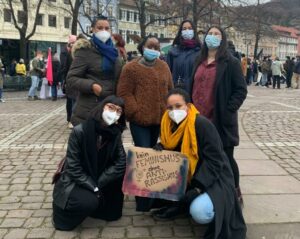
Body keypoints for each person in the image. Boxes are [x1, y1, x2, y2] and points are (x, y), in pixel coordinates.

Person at [152, 89, 247, 239]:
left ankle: (213, 204)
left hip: (215, 178)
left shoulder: (202, 124)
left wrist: (198, 188)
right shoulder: (168, 124)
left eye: (178, 106)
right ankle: (180, 205)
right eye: (170, 108)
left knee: (200, 212)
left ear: (188, 106)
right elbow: (173, 147)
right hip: (189, 175)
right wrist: (161, 147)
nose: (173, 111)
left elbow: (215, 161)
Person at [52, 95, 127, 231]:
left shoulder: (115, 133)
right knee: (88, 202)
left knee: (113, 212)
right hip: (78, 178)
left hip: (100, 176)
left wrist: (98, 183)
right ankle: (70, 209)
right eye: (111, 107)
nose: (114, 113)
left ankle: (98, 205)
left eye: (119, 111)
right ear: (101, 107)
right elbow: (73, 166)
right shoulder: (80, 131)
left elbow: (121, 162)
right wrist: (91, 185)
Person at [191, 26, 247, 204]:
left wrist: (228, 109)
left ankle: (235, 191)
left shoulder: (230, 62)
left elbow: (240, 90)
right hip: (198, 118)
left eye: (217, 34)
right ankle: (207, 190)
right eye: (210, 33)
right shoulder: (198, 60)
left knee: (226, 158)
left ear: (222, 39)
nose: (213, 37)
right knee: (202, 156)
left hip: (219, 120)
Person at [117, 35, 173, 212]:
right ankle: (142, 199)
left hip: (161, 119)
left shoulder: (164, 66)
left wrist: (169, 110)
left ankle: (155, 195)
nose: (154, 49)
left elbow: (170, 89)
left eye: (156, 47)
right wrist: (134, 110)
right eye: (150, 46)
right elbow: (124, 92)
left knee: (158, 156)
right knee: (143, 155)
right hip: (140, 120)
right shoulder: (130, 68)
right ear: (143, 47)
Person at [67, 15, 122, 126]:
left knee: (110, 142)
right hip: (90, 107)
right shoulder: (85, 50)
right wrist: (92, 86)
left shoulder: (114, 52)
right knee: (91, 142)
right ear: (92, 29)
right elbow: (71, 79)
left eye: (107, 28)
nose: (104, 31)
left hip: (111, 107)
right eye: (100, 28)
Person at [167, 20, 201, 92]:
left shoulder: (200, 51)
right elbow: (167, 74)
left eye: (190, 28)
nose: (187, 31)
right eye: (184, 29)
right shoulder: (172, 51)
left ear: (194, 31)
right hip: (177, 91)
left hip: (194, 92)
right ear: (180, 32)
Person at [61, 35, 77, 128]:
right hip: (71, 80)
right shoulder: (66, 53)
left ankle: (72, 120)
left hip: (74, 79)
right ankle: (70, 119)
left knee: (74, 100)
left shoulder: (76, 53)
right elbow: (65, 67)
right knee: (71, 100)